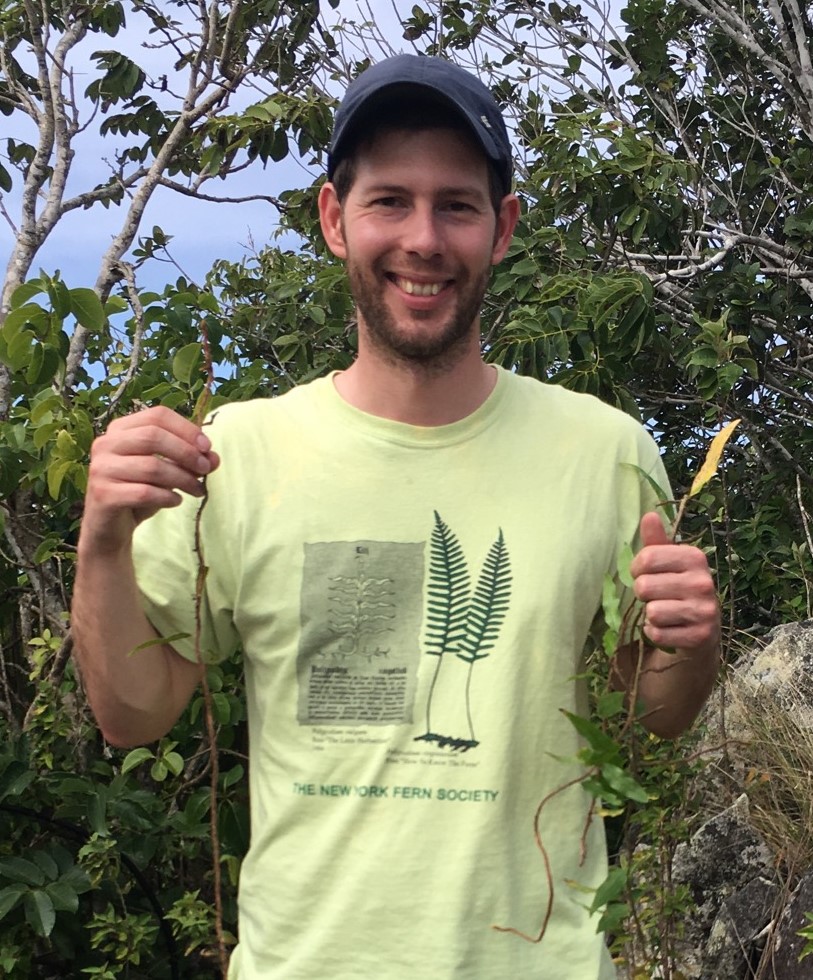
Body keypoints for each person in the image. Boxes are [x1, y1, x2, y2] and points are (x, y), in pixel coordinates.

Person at [72, 54, 721, 980]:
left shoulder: (604, 452)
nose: (422, 238)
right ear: (335, 219)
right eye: (389, 201)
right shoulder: (235, 454)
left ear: (500, 230)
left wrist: (692, 644)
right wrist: (104, 539)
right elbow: (133, 715)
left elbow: (654, 709)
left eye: (455, 205)